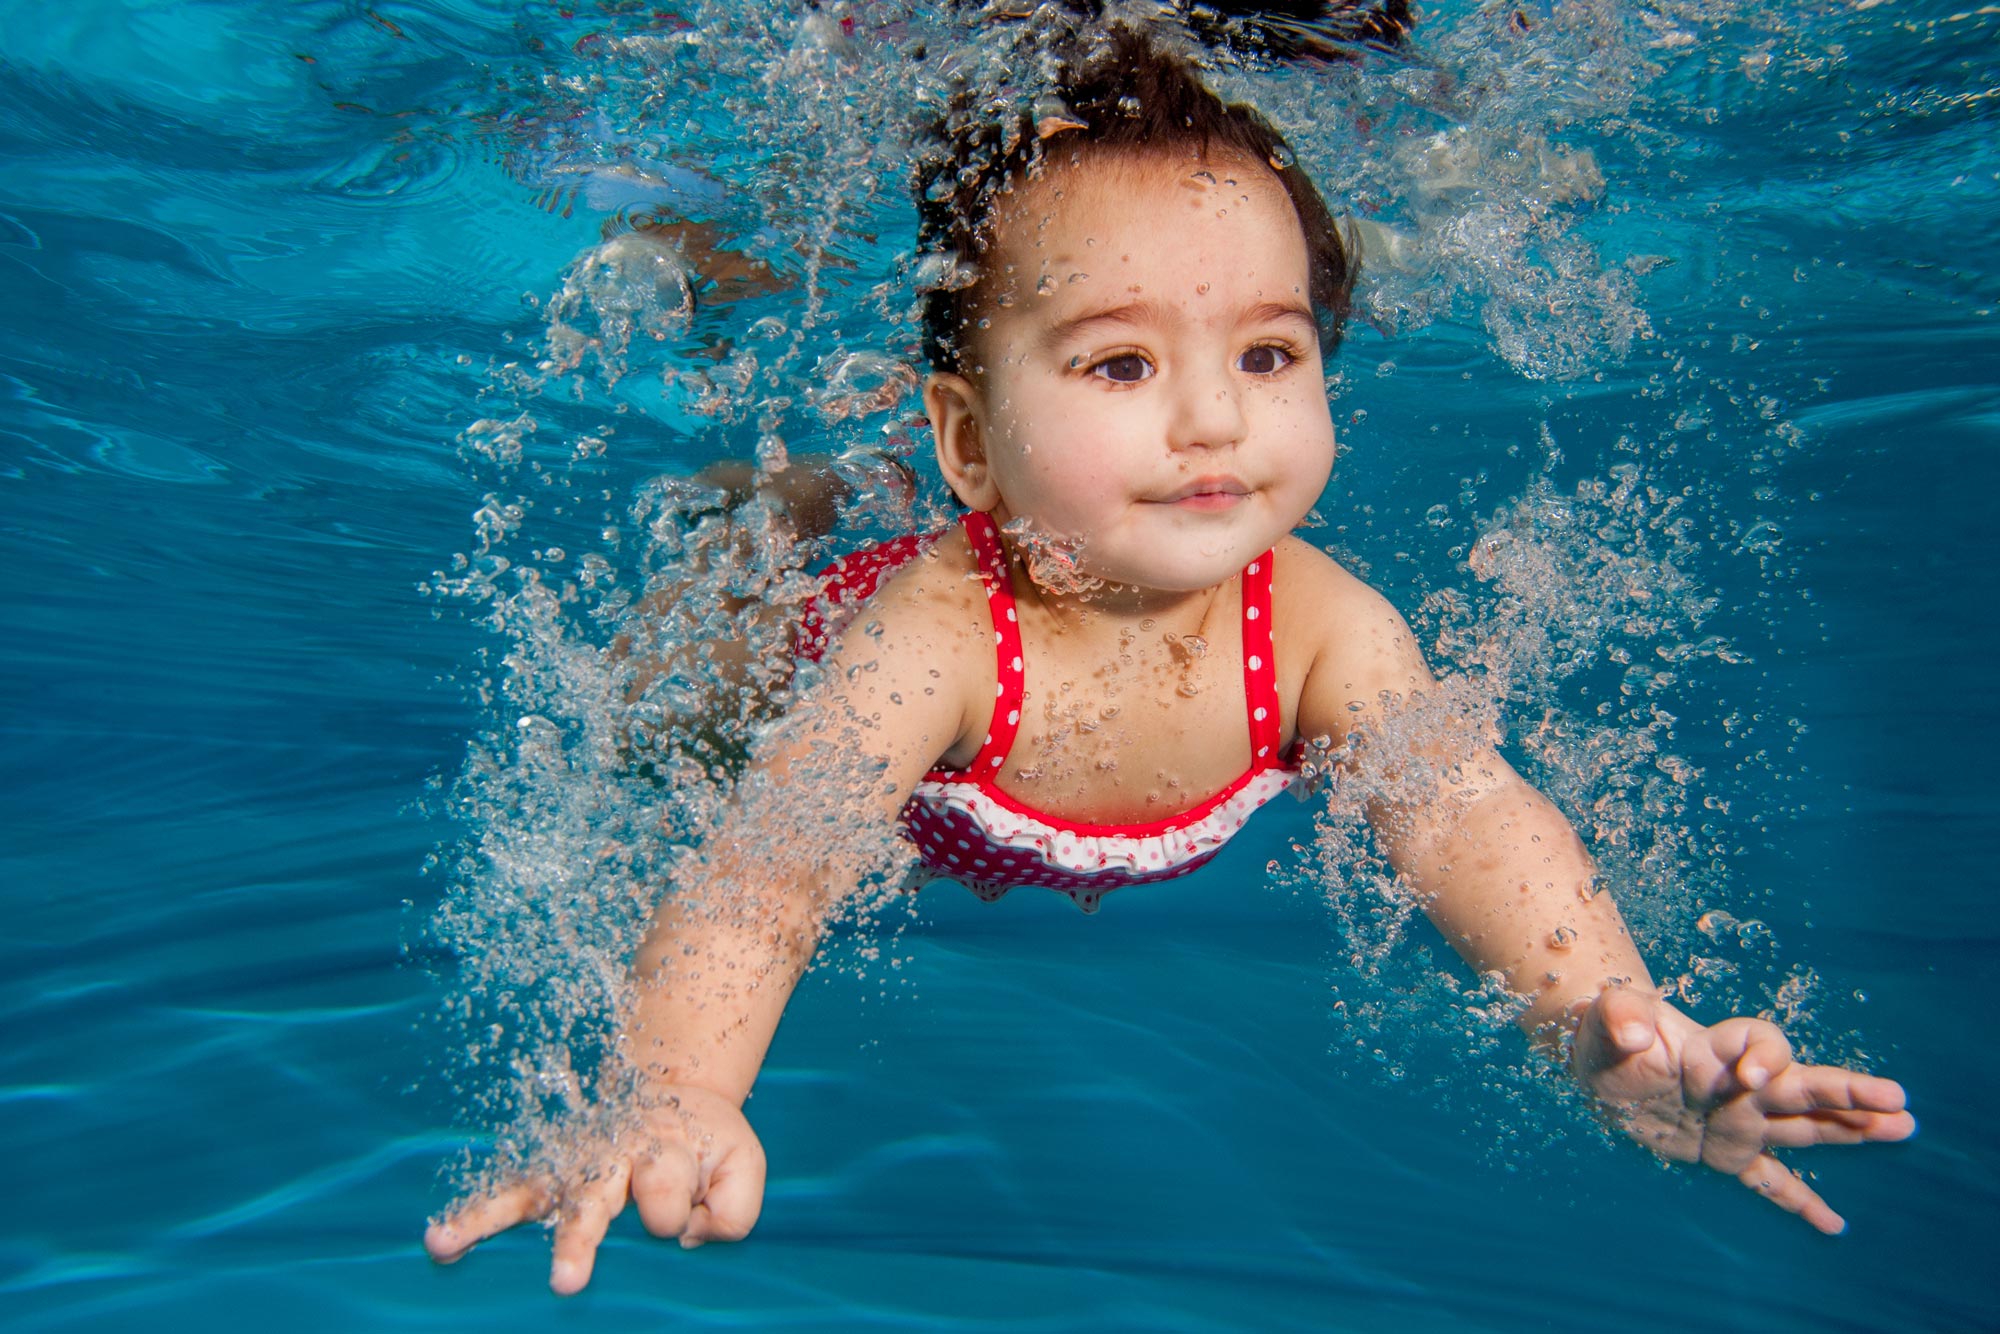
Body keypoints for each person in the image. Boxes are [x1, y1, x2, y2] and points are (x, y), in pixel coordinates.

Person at [424, 14, 1913, 1296]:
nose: (1213, 419)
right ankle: (784, 470)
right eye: (1122, 362)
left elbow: (1467, 811)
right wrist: (677, 1086)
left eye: (1269, 352)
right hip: (792, 646)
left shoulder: (1322, 621)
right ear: (975, 439)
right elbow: (769, 873)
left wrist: (1609, 1023)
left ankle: (849, 462)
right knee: (661, 712)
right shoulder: (929, 642)